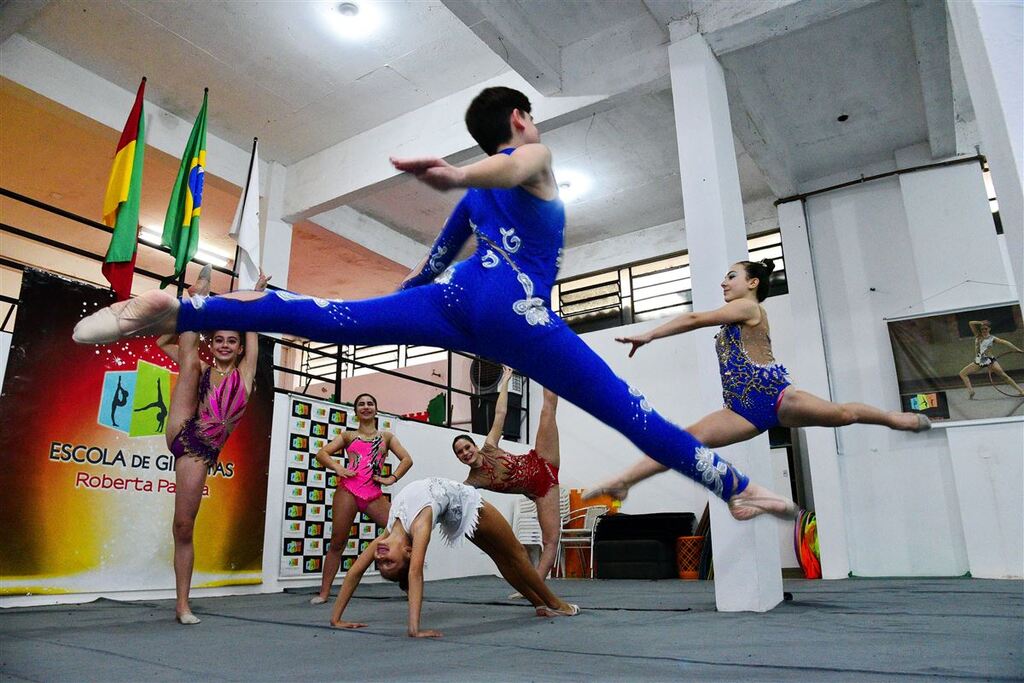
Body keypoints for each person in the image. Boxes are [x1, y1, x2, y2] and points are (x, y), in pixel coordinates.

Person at [73, 86, 797, 523]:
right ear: (520, 118)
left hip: (456, 301)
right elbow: (514, 166)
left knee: (328, 317)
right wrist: (454, 175)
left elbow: (437, 259)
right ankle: (733, 486)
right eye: (529, 122)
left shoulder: (483, 192)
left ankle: (181, 312)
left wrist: (405, 292)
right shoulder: (531, 160)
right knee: (632, 414)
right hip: (519, 315)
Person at [585, 259, 931, 502]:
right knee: (682, 441)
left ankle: (895, 418)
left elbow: (694, 317)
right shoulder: (733, 318)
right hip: (738, 409)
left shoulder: (750, 309)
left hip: (776, 396)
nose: (724, 282)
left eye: (731, 276)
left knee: (842, 415)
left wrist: (649, 335)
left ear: (752, 283)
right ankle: (624, 481)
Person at [154, 266, 269, 624]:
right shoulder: (203, 369)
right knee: (189, 363)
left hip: (201, 451)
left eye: (231, 341)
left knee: (183, 527)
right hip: (183, 433)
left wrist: (255, 292)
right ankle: (195, 298)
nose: (224, 345)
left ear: (238, 347)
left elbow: (253, 332)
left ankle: (181, 604)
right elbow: (161, 344)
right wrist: (184, 318)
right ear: (213, 341)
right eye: (218, 339)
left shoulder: (245, 375)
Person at [329, 477, 578, 637]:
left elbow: (354, 573)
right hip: (465, 505)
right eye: (388, 563)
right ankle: (556, 605)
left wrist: (336, 618)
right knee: (511, 555)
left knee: (509, 557)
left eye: (381, 563)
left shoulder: (384, 537)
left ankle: (542, 604)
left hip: (458, 505)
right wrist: (414, 629)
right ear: (408, 552)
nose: (380, 557)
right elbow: (415, 573)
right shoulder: (419, 526)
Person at [454, 366, 561, 586]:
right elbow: (454, 499)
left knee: (547, 410)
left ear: (474, 445)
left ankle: (550, 362)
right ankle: (536, 588)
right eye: (460, 452)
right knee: (549, 541)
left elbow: (500, 413)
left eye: (467, 447)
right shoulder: (472, 482)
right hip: (542, 491)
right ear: (459, 458)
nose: (466, 453)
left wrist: (506, 379)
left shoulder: (490, 446)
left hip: (542, 459)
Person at [310, 392, 413, 604]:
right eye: (361, 404)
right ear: (356, 411)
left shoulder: (387, 437)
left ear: (376, 409)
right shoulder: (348, 436)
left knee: (403, 535)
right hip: (347, 491)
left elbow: (407, 459)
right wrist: (338, 467)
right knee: (338, 542)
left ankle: (407, 584)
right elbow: (322, 453)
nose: (366, 407)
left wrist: (391, 478)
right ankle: (324, 593)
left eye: (370, 404)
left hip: (373, 494)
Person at [958, 319, 1024, 399]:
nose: (984, 330)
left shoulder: (992, 338)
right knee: (962, 373)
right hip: (979, 360)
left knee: (1004, 376)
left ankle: (1021, 390)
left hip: (989, 360)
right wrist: (980, 323)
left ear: (989, 329)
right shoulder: (978, 335)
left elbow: (1005, 342)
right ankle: (971, 391)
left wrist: (1017, 349)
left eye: (986, 329)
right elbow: (971, 323)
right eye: (982, 329)